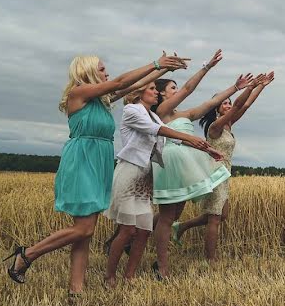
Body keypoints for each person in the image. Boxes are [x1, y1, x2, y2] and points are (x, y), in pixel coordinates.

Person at [3, 52, 189, 300]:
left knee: (86, 232)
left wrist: (165, 70)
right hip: (81, 161)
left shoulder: (102, 100)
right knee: (83, 229)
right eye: (102, 70)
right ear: (87, 71)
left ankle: (76, 291)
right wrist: (156, 63)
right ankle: (27, 254)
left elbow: (132, 85)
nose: (107, 73)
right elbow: (122, 82)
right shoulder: (77, 94)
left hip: (99, 162)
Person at [103, 81, 223, 288]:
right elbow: (157, 130)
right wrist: (189, 137)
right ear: (139, 93)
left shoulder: (154, 115)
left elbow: (172, 140)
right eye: (151, 89)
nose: (155, 92)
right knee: (128, 230)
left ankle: (129, 277)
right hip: (130, 172)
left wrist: (206, 149)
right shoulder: (131, 110)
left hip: (146, 175)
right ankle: (109, 277)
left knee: (143, 231)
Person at [150, 49, 253, 279]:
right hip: (171, 163)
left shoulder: (184, 114)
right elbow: (188, 89)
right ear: (162, 95)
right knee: (168, 216)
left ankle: (140, 231)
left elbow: (212, 102)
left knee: (175, 214)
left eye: (176, 88)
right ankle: (162, 267)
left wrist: (235, 88)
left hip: (186, 165)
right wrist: (207, 67)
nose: (177, 91)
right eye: (172, 88)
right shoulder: (162, 112)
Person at [172, 71, 275, 260]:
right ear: (217, 110)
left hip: (225, 173)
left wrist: (261, 86)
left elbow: (246, 104)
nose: (228, 105)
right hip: (214, 172)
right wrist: (250, 86)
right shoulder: (215, 127)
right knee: (215, 218)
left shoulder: (229, 125)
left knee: (222, 214)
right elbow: (238, 104)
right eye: (224, 103)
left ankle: (181, 226)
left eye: (229, 102)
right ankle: (210, 260)